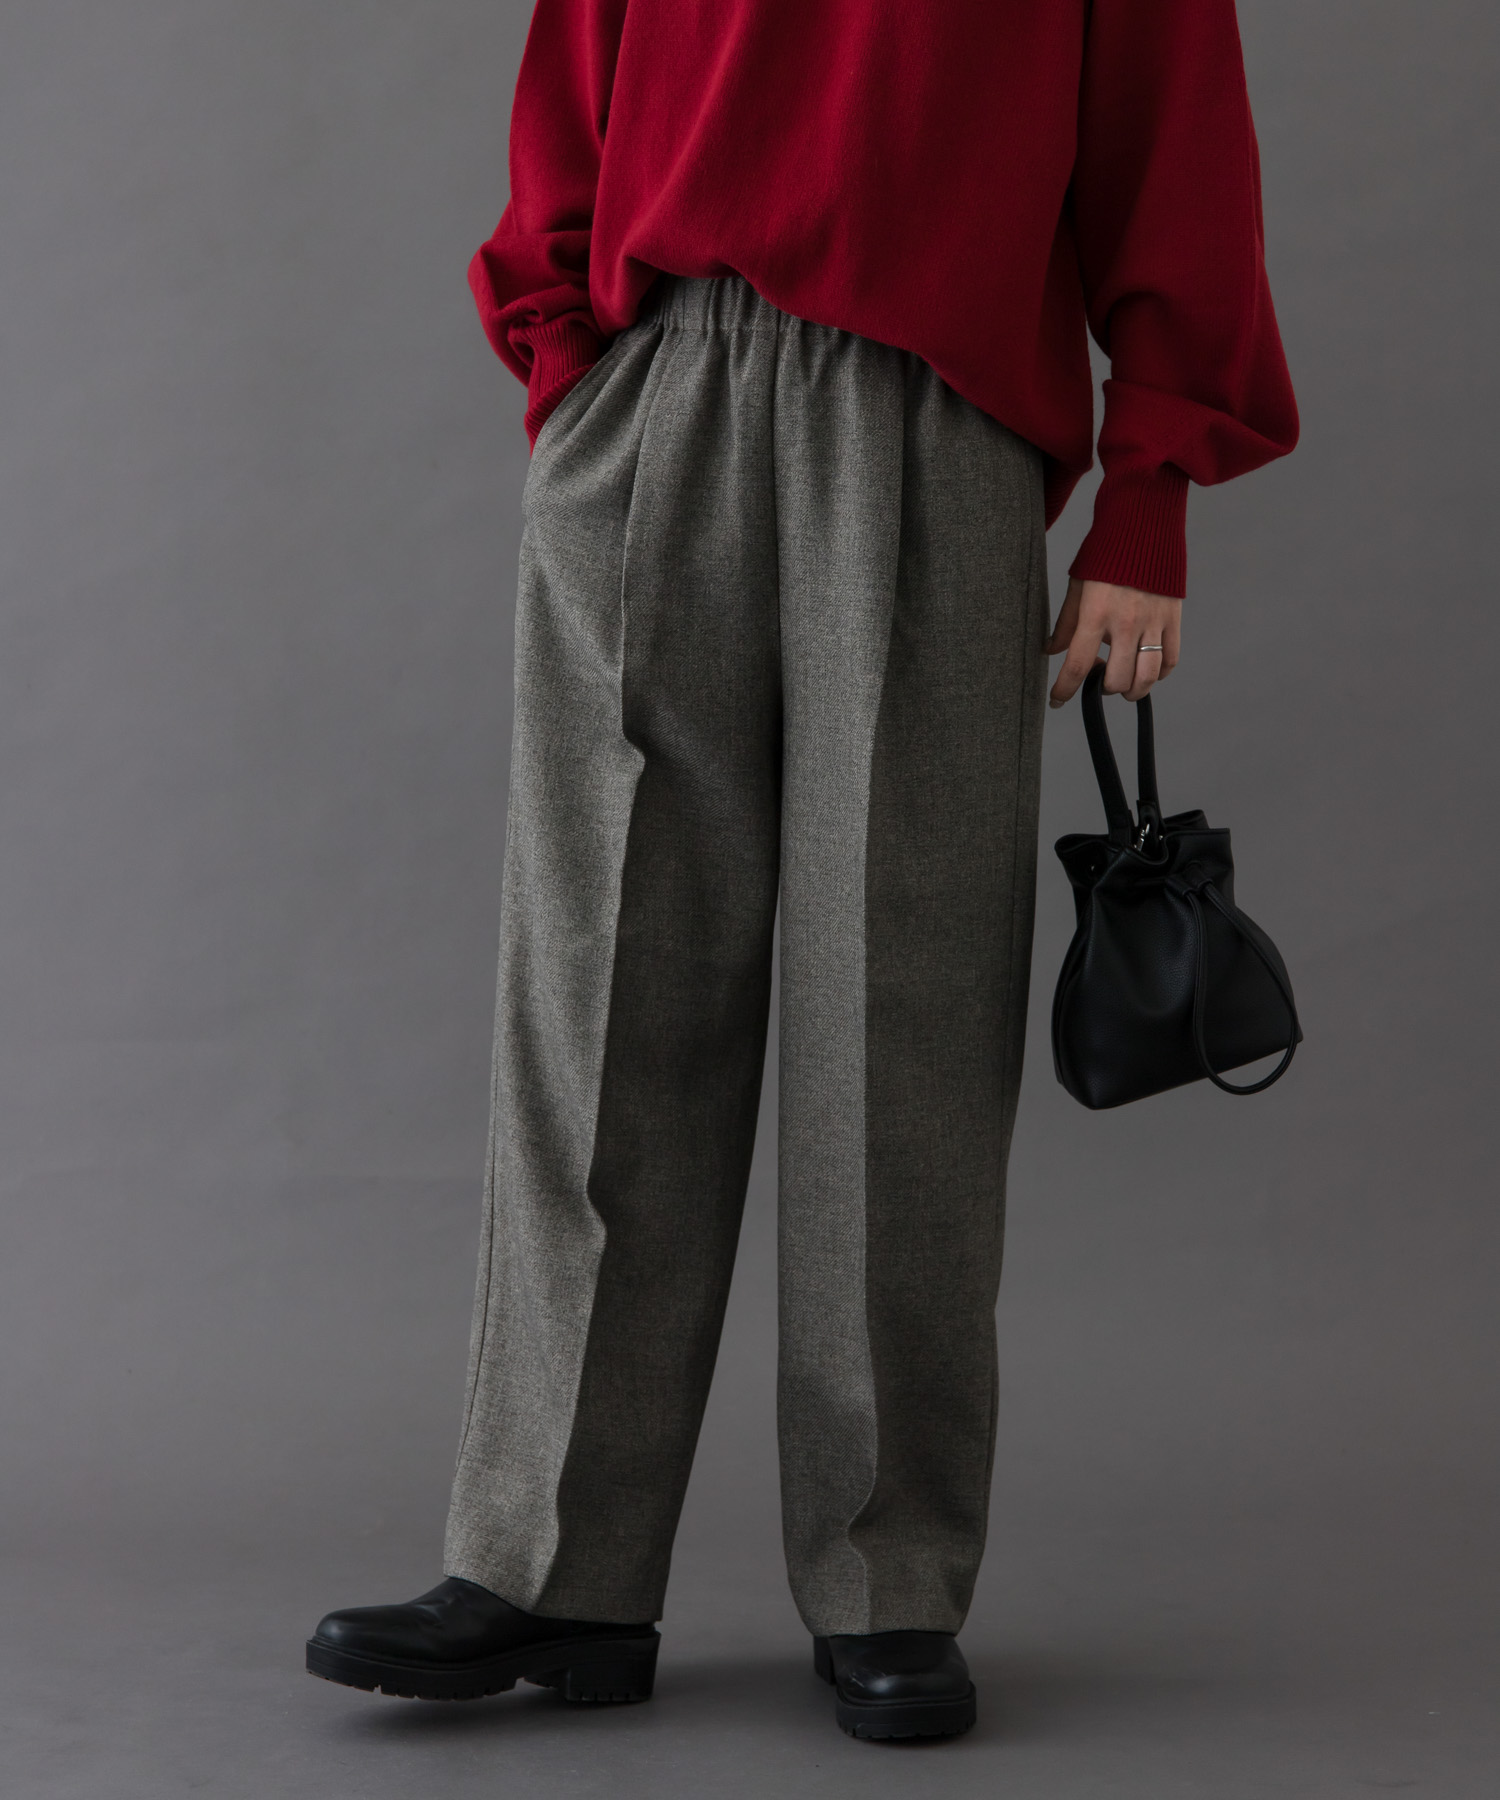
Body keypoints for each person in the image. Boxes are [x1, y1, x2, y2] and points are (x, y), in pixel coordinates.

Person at [305, 0, 1298, 1742]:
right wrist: (574, 385)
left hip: (933, 420)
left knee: (900, 1016)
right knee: (599, 1004)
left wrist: (1149, 496)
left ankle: (885, 1575)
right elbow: (570, 100)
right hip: (657, 396)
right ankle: (553, 1568)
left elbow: (1178, 163)